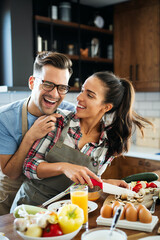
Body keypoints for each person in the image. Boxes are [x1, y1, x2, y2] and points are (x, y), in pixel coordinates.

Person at [11, 70, 153, 211]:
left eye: (89, 95)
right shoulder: (57, 121)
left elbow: (82, 184)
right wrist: (63, 167)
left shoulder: (108, 143)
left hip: (69, 212)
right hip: (31, 208)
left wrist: (103, 183)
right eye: (82, 90)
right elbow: (28, 166)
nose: (79, 97)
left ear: (106, 107)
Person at [0, 51, 76, 215]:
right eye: (47, 84)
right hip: (11, 197)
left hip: (52, 199)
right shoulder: (5, 118)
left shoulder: (70, 113)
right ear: (32, 82)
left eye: (62, 87)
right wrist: (30, 137)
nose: (54, 94)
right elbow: (11, 173)